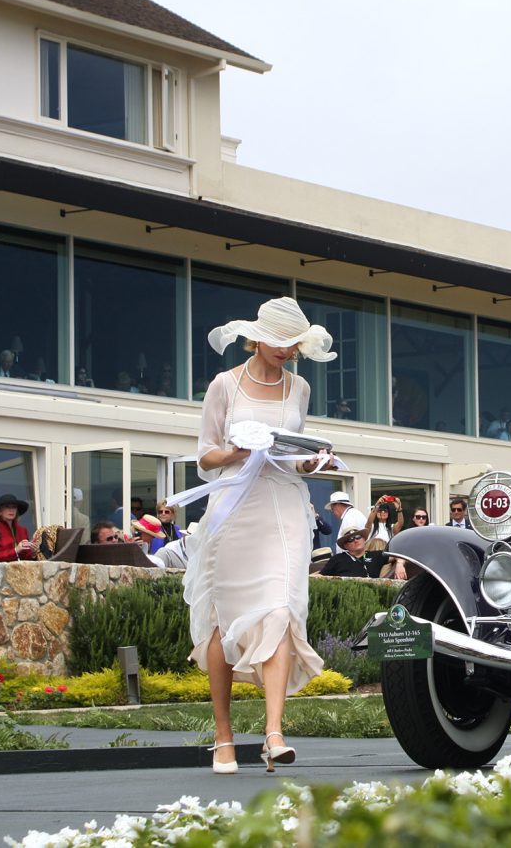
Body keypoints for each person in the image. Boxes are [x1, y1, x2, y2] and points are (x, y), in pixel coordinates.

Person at [185, 296, 335, 775]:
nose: (289, 351)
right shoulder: (224, 386)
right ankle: (223, 737)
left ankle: (274, 734)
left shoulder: (300, 388)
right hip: (235, 507)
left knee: (280, 608)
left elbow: (294, 453)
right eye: (282, 342)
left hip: (286, 504)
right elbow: (204, 456)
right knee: (221, 619)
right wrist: (236, 451)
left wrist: (311, 463)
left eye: (296, 344)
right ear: (258, 337)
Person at [0, 494, 36, 562]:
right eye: (7, 507)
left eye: (14, 507)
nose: (11, 510)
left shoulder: (22, 530)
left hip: (22, 570)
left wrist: (33, 553)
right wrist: (16, 550)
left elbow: (26, 557)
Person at [319, 530, 387, 578]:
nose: (355, 540)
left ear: (364, 539)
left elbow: (395, 555)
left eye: (358, 537)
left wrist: (398, 562)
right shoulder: (337, 559)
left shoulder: (377, 555)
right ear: (345, 545)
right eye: (351, 539)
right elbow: (320, 577)